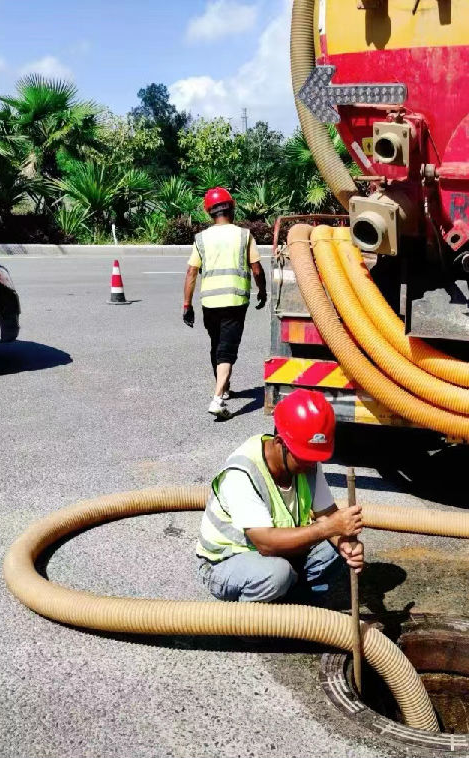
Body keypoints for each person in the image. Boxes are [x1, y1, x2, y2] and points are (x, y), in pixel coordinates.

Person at [196, 389, 364, 604]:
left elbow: (327, 515)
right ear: (279, 443)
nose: (310, 465)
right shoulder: (243, 473)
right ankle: (250, 622)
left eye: (315, 458)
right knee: (276, 574)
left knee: (336, 552)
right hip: (226, 563)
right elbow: (266, 543)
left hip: (279, 556)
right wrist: (328, 528)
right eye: (304, 458)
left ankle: (294, 605)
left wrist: (347, 544)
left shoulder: (307, 461)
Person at [182, 187, 267, 419]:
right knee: (227, 350)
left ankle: (225, 388)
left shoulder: (201, 238)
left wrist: (187, 305)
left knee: (217, 345)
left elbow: (191, 272)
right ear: (232, 208)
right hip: (235, 301)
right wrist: (262, 291)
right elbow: (257, 269)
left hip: (209, 302)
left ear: (209, 212)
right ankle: (218, 399)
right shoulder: (244, 235)